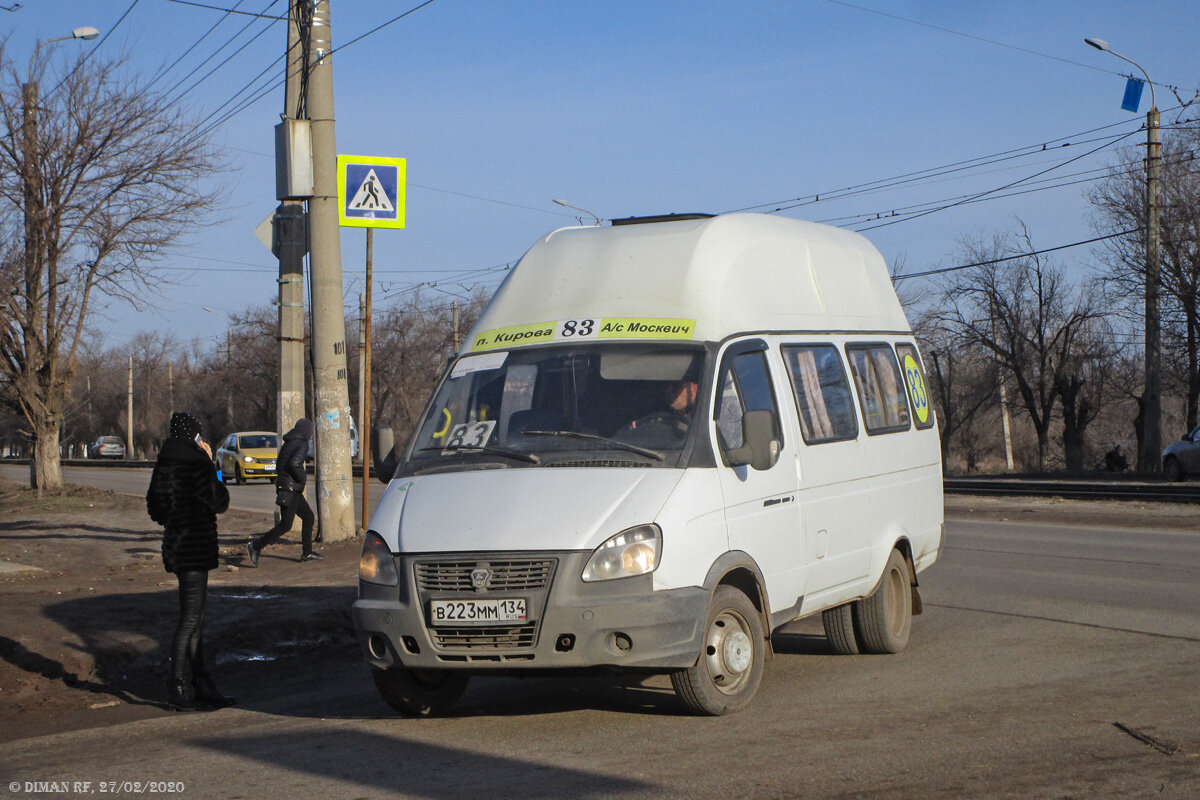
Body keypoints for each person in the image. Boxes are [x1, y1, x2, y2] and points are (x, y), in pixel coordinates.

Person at [146, 412, 234, 712]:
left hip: (177, 547)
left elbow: (155, 508)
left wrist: (175, 517)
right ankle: (179, 685)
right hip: (196, 547)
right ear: (195, 434)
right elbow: (220, 501)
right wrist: (213, 466)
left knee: (193, 618)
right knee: (191, 621)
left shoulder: (164, 462)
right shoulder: (196, 462)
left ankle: (199, 683)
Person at [245, 418, 320, 565]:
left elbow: (280, 464)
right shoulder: (302, 443)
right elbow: (294, 464)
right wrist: (302, 478)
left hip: (288, 487)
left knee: (308, 517)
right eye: (310, 431)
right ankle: (255, 546)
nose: (311, 434)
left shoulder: (289, 442)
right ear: (306, 431)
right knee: (286, 525)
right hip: (291, 489)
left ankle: (307, 553)